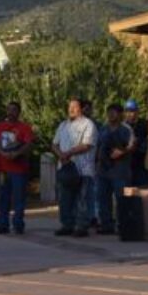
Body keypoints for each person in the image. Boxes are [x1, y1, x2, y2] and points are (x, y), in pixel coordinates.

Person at [51, 98, 98, 237]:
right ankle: (67, 225)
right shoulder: (63, 125)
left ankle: (81, 227)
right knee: (65, 199)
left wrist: (69, 153)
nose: (71, 109)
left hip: (82, 169)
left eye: (75, 107)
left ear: (81, 109)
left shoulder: (88, 124)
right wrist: (60, 155)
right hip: (65, 168)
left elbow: (87, 145)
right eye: (69, 107)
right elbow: (54, 144)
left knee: (82, 199)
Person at [0, 102, 34, 235]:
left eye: (14, 110)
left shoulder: (24, 127)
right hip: (4, 168)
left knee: (18, 198)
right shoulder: (0, 126)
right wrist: (3, 153)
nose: (11, 112)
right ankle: (2, 224)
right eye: (9, 110)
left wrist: (17, 153)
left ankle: (18, 224)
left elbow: (28, 144)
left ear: (19, 112)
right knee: (3, 197)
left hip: (19, 169)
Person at [95, 104, 135, 235]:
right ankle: (106, 225)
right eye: (109, 112)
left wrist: (122, 151)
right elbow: (98, 146)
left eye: (114, 112)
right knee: (102, 198)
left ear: (120, 114)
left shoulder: (126, 129)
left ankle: (123, 225)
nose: (111, 115)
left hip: (120, 170)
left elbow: (132, 146)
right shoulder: (103, 129)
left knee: (122, 198)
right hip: (103, 170)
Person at [124, 99, 148, 187]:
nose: (130, 114)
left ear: (137, 111)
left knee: (144, 188)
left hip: (143, 161)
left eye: (132, 111)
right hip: (128, 162)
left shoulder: (145, 124)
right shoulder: (123, 126)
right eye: (127, 111)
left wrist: (140, 142)